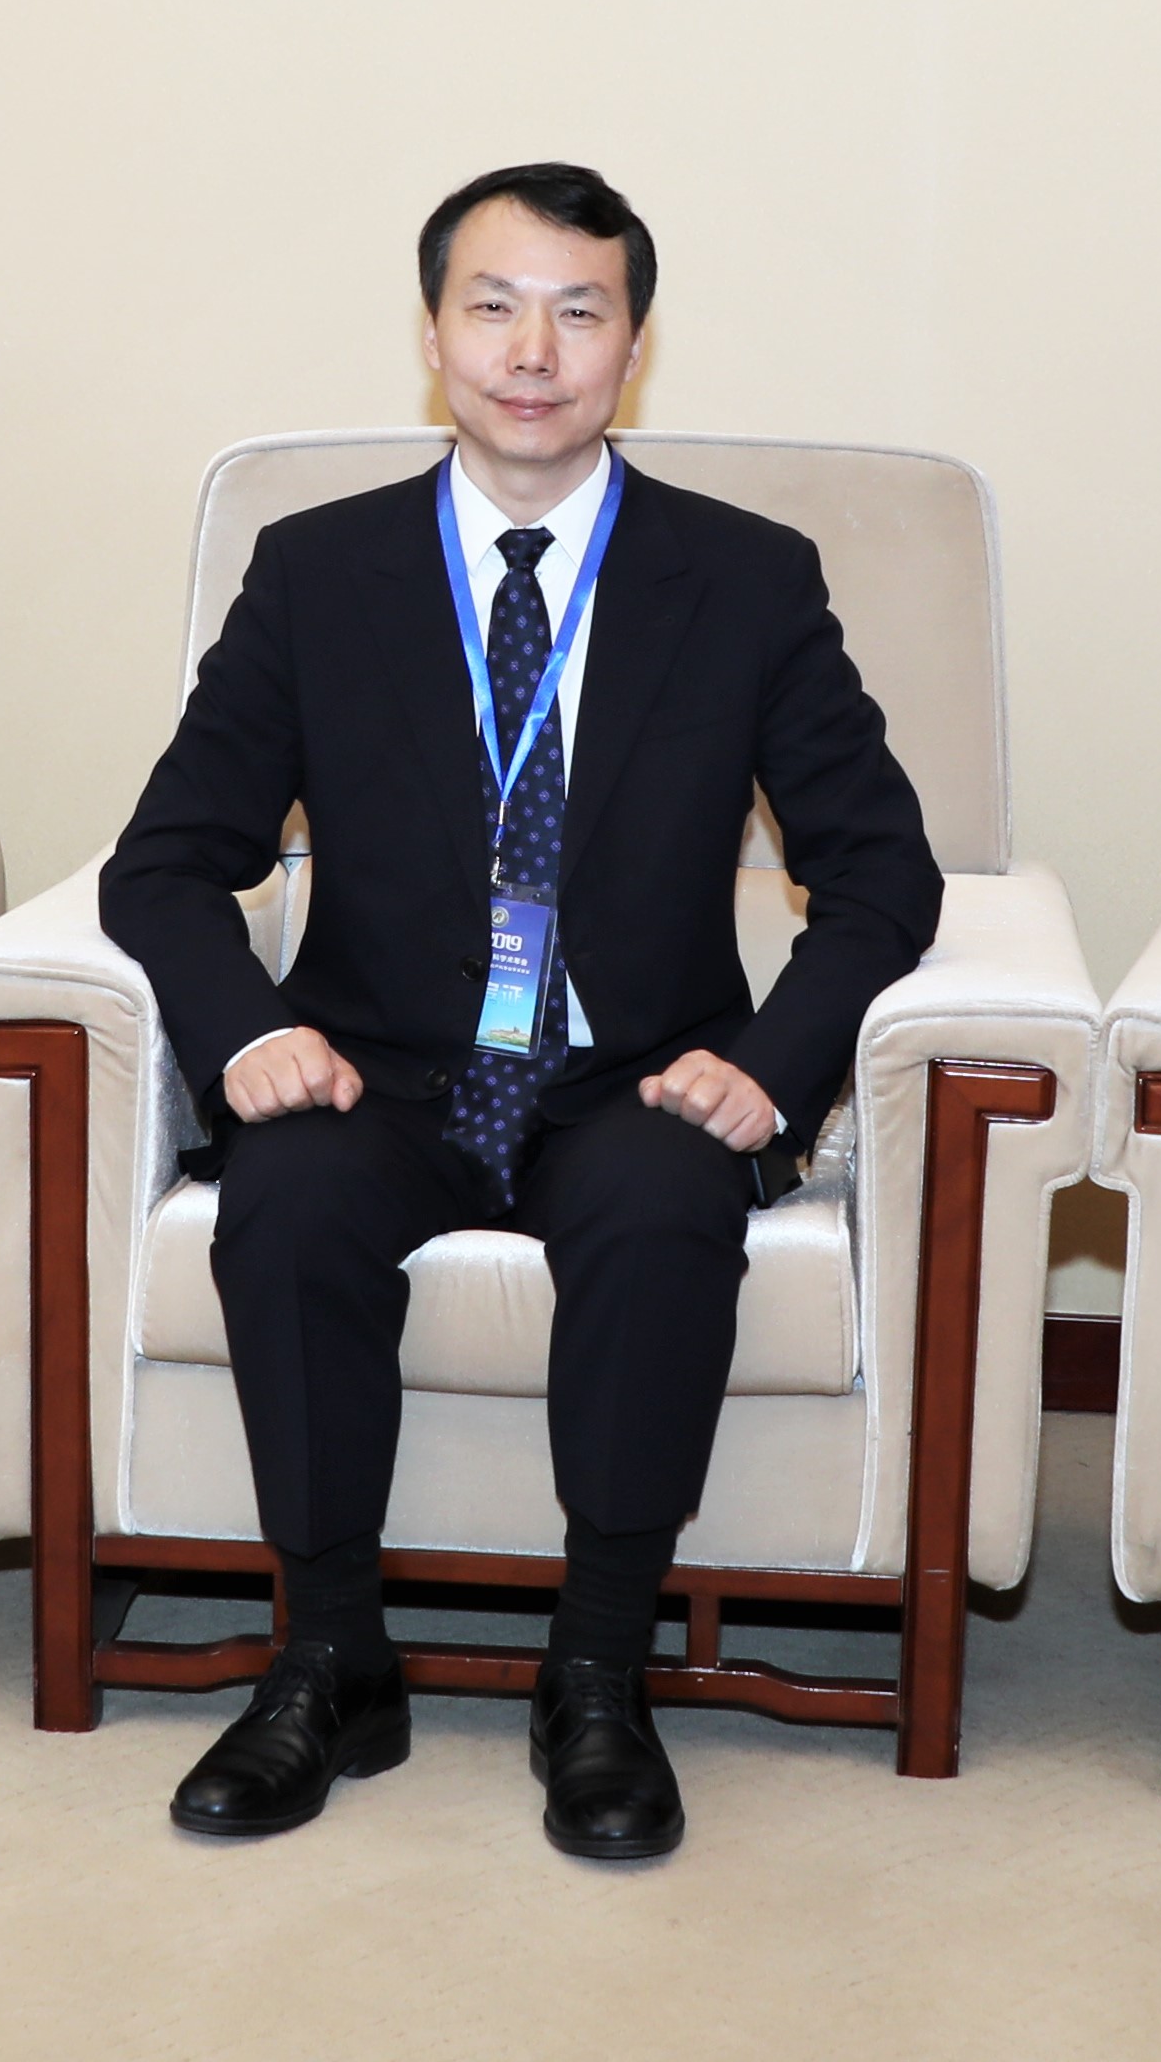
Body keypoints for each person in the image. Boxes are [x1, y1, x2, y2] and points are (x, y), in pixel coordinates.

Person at [96, 163, 942, 1863]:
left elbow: (884, 876)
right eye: (493, 307)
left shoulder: (743, 578)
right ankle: (332, 1660)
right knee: (285, 1204)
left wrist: (770, 1069)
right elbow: (165, 863)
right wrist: (249, 1031)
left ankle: (599, 1675)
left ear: (633, 345)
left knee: (659, 1212)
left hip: (632, 1073)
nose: (533, 351)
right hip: (382, 1069)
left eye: (578, 311)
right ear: (434, 336)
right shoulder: (319, 572)